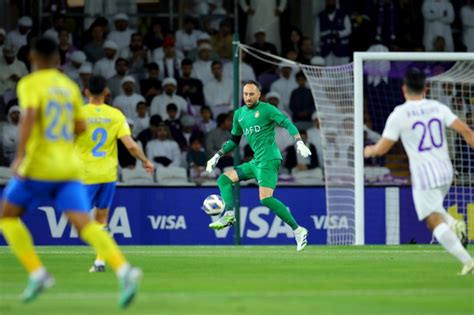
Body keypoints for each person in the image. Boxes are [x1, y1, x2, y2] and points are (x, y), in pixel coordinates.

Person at [0, 37, 142, 307]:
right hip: (69, 167)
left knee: (6, 217)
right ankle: (125, 270)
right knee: (87, 225)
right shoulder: (69, 87)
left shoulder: (29, 84)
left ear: (31, 57)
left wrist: (20, 156)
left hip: (39, 166)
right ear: (58, 60)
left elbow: (28, 117)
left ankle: (37, 272)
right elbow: (79, 127)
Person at [364, 69, 473, 275]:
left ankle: (468, 260)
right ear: (425, 88)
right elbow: (465, 130)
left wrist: (369, 151)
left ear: (403, 89)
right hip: (446, 170)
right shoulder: (437, 107)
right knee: (436, 210)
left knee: (432, 221)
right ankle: (453, 223)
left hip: (425, 175)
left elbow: (383, 148)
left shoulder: (400, 114)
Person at [205, 80, 311, 251]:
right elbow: (234, 141)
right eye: (245, 94)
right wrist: (217, 155)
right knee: (224, 179)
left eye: (251, 94)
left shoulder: (267, 109)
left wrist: (298, 141)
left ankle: (298, 230)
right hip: (256, 161)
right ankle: (230, 214)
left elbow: (287, 123)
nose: (248, 97)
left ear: (259, 94)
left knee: (266, 199)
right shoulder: (239, 114)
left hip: (269, 159)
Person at [75, 75, 154, 272]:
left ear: (86, 92)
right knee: (101, 220)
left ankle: (103, 255)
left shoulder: (78, 114)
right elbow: (130, 145)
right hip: (108, 176)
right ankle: (100, 261)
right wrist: (145, 161)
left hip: (85, 175)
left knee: (81, 222)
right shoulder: (116, 115)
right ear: (107, 93)